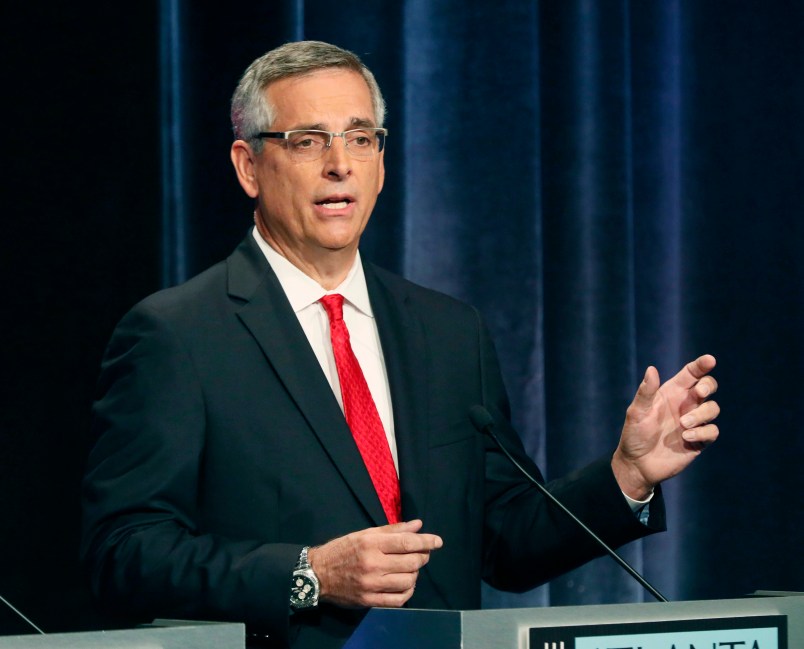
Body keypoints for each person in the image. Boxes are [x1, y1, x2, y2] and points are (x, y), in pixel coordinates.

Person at [80, 40, 720, 649]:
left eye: (360, 139)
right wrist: (309, 574)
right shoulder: (178, 335)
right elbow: (123, 552)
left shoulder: (446, 331)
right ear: (249, 167)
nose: (339, 164)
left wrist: (627, 475)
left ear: (382, 165)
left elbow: (501, 539)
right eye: (308, 141)